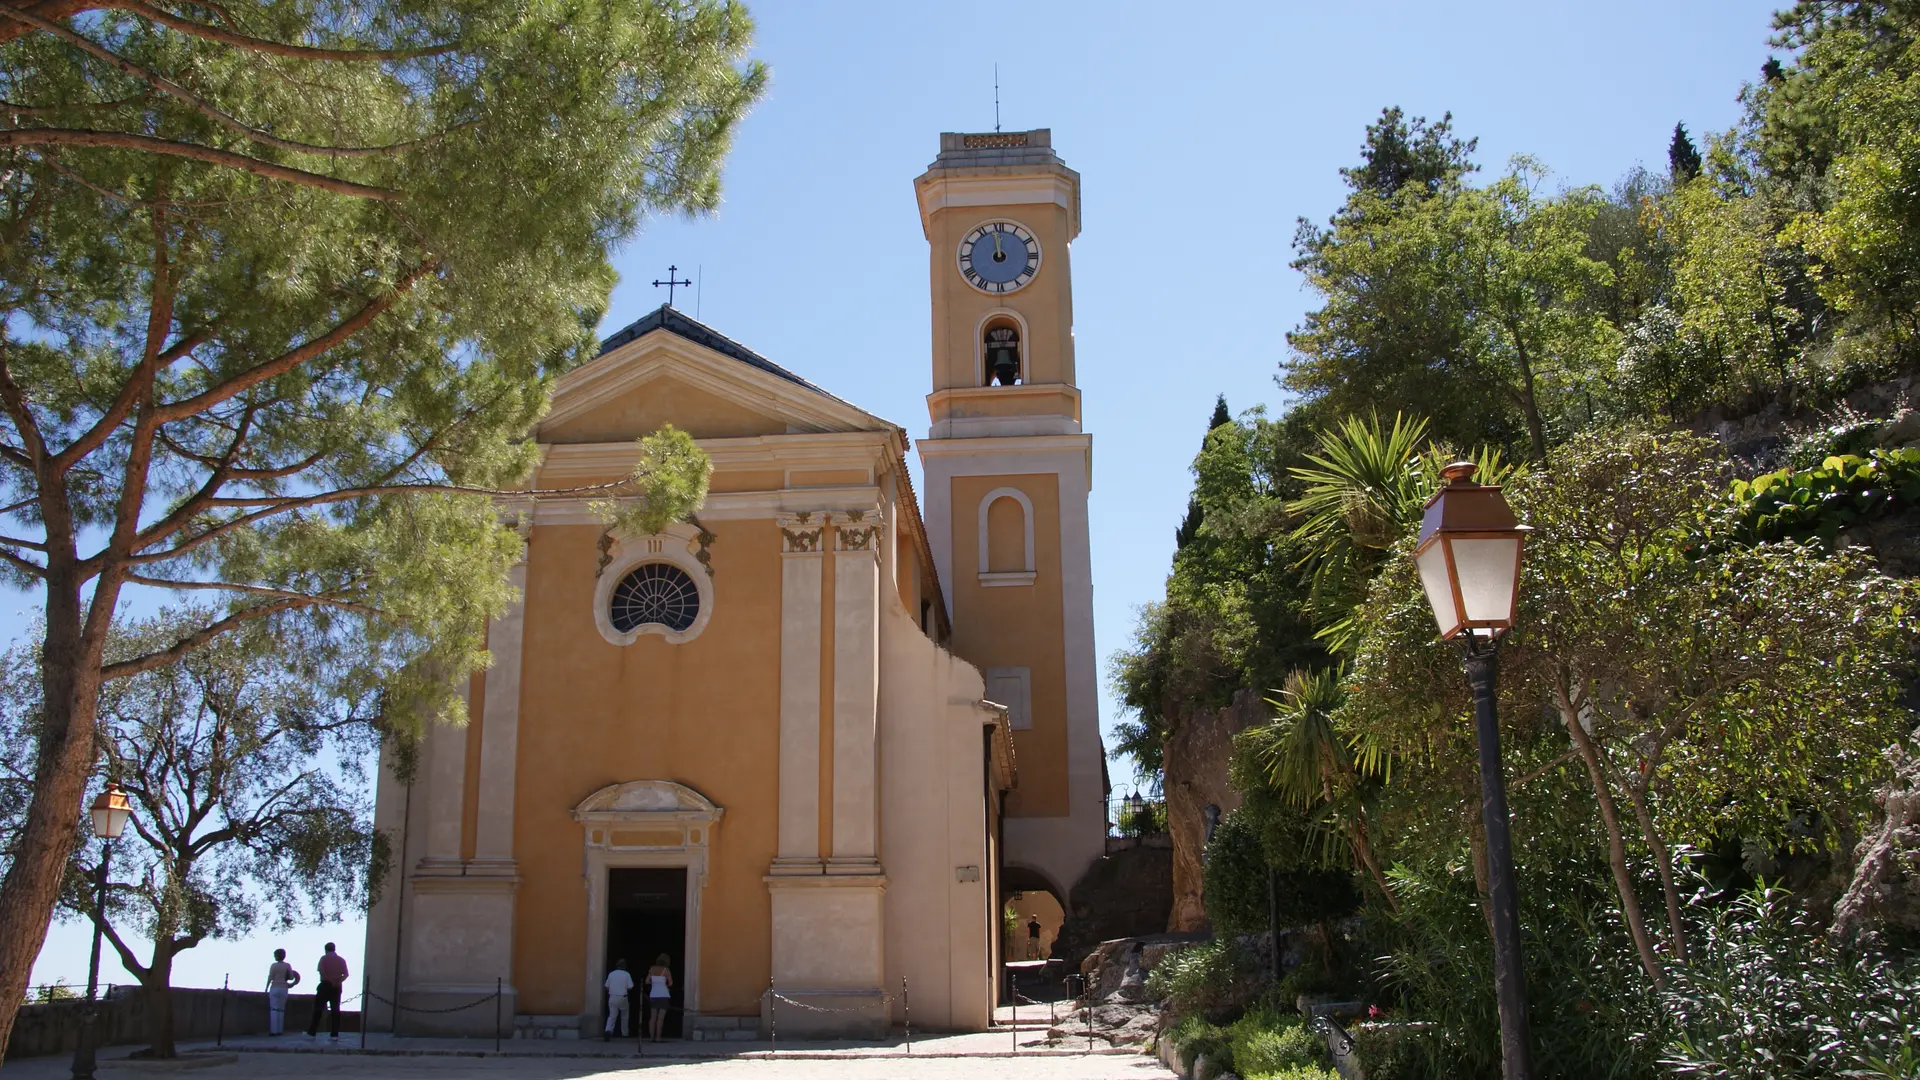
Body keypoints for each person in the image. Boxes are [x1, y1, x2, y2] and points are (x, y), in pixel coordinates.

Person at [307, 942, 348, 1040]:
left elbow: (321, 971)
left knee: (318, 1009)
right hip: (337, 987)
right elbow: (346, 974)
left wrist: (329, 980)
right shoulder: (341, 960)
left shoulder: (324, 959)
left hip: (325, 985)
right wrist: (337, 981)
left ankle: (312, 1032)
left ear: (326, 949)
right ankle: (334, 1033)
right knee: (335, 1010)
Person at [264, 949, 300, 1035]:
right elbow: (291, 977)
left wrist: (266, 988)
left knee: (273, 1009)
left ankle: (273, 1031)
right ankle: (280, 1030)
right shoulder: (287, 965)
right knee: (281, 1009)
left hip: (275, 987)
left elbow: (270, 977)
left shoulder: (273, 965)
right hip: (284, 988)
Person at [603, 959, 634, 1041]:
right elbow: (630, 987)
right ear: (625, 966)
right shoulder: (626, 974)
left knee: (612, 1016)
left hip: (612, 996)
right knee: (624, 1016)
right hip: (623, 997)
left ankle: (608, 1030)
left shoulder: (611, 974)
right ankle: (624, 1033)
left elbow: (606, 986)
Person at [645, 954, 673, 1043]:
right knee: (660, 1018)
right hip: (664, 995)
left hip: (653, 995)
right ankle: (658, 1037)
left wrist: (654, 983)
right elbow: (671, 983)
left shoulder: (652, 969)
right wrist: (665, 985)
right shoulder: (666, 970)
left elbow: (647, 981)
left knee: (652, 1018)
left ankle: (651, 1037)